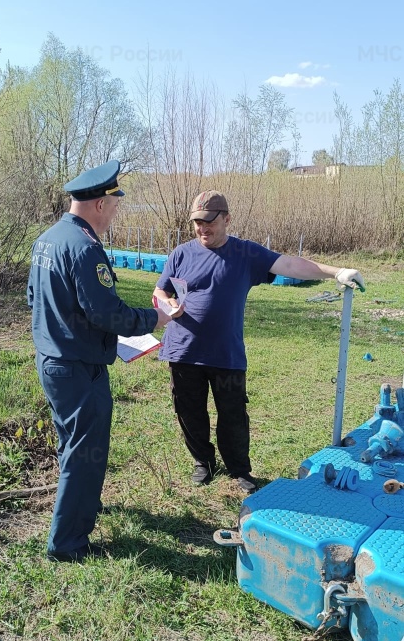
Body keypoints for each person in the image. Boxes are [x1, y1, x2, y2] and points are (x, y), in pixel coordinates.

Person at [152, 190, 365, 493]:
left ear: (227, 219)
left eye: (209, 222)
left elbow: (291, 265)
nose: (203, 229)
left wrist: (337, 272)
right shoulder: (181, 254)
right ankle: (203, 462)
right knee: (189, 412)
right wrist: (167, 303)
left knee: (233, 414)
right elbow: (161, 291)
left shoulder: (246, 254)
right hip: (183, 350)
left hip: (226, 354)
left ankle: (239, 469)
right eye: (197, 223)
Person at [27, 160, 179, 562]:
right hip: (78, 368)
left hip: (52, 361)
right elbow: (107, 312)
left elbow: (35, 300)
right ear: (98, 203)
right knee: (85, 451)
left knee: (71, 443)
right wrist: (156, 318)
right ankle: (68, 544)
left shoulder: (48, 239)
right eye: (114, 204)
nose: (115, 212)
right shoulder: (85, 248)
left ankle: (83, 507)